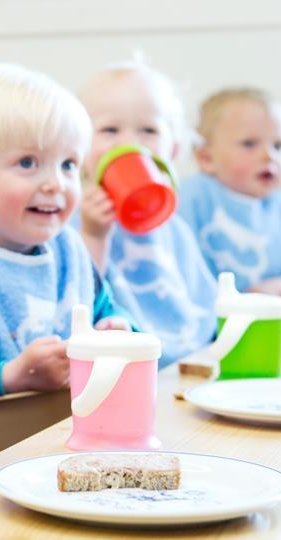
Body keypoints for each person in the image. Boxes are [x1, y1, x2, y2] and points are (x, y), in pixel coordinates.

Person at [0, 63, 134, 400]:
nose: (56, 184)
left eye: (68, 165)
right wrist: (10, 377)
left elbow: (111, 313)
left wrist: (120, 331)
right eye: (28, 163)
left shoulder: (70, 251)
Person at [77, 60, 218, 368]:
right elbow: (80, 302)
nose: (129, 143)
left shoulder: (174, 228)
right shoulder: (76, 219)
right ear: (79, 149)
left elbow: (206, 302)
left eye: (149, 130)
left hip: (191, 359)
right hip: (123, 365)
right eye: (110, 129)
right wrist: (93, 235)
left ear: (174, 152)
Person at [178, 87, 281, 301]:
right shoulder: (185, 200)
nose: (269, 155)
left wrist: (275, 289)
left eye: (279, 145)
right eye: (249, 144)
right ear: (206, 158)